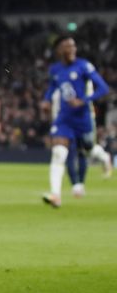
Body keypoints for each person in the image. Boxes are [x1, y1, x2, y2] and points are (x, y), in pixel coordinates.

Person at [40, 36, 111, 207]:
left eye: (73, 46)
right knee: (59, 153)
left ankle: (104, 157)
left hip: (83, 117)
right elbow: (52, 87)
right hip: (64, 118)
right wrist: (46, 100)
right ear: (59, 51)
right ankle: (55, 195)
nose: (72, 49)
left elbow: (103, 88)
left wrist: (84, 100)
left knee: (87, 149)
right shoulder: (55, 69)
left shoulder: (84, 66)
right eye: (68, 46)